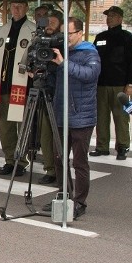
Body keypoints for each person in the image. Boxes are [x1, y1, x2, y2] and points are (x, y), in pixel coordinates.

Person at [44, 16, 100, 218]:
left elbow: (90, 75)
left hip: (81, 116)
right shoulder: (61, 51)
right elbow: (56, 81)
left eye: (69, 33)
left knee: (79, 162)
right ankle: (63, 197)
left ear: (80, 33)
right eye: (63, 33)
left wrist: (63, 63)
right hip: (60, 112)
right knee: (59, 159)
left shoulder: (89, 52)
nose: (65, 37)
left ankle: (79, 202)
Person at [0, 0, 36, 176]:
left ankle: (21, 160)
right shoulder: (2, 30)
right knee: (5, 124)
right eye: (13, 6)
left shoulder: (33, 30)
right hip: (3, 84)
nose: (16, 9)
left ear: (27, 7)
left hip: (22, 85)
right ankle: (9, 159)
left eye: (20, 6)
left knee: (22, 124)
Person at [91, 5, 132, 160]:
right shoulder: (100, 37)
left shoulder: (127, 37)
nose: (109, 18)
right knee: (101, 116)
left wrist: (130, 84)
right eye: (108, 16)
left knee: (121, 117)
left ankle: (122, 147)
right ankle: (102, 146)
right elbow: (93, 57)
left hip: (120, 84)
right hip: (101, 83)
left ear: (120, 18)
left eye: (112, 16)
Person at [36, 9, 64, 184]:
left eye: (53, 23)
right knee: (45, 132)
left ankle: (60, 170)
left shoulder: (63, 44)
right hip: (42, 88)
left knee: (57, 134)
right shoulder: (39, 42)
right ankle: (50, 168)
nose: (49, 26)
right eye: (47, 22)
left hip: (58, 93)